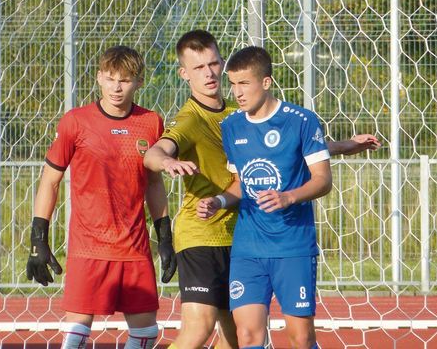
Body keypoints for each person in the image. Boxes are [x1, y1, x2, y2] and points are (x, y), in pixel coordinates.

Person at [143, 30, 380, 349]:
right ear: (184, 74)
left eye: (213, 63)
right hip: (204, 233)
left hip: (241, 233)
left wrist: (339, 146)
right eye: (199, 68)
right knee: (200, 327)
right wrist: (165, 162)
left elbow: (287, 150)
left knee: (237, 338)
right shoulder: (191, 120)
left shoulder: (238, 115)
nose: (210, 73)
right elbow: (156, 152)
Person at [26, 45, 177, 349]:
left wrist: (165, 236)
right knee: (74, 339)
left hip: (134, 248)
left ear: (139, 82)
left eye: (125, 79)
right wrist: (37, 239)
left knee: (146, 333)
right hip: (88, 248)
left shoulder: (151, 122)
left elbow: (154, 184)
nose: (117, 87)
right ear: (98, 78)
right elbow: (50, 181)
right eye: (110, 78)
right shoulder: (76, 122)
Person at [214, 45, 330, 349]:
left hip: (292, 246)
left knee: (300, 338)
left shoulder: (301, 121)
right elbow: (241, 183)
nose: (237, 92)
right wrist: (219, 201)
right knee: (248, 335)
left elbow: (323, 180)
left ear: (266, 82)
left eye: (244, 83)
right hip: (248, 248)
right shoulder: (230, 126)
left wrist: (289, 197)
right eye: (233, 84)